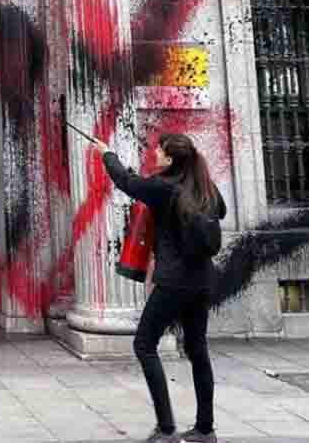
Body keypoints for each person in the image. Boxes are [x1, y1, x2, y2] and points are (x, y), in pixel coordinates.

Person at [84, 132, 226, 443]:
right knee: (197, 349)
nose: (155, 157)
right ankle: (205, 429)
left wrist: (106, 153)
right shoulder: (203, 186)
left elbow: (127, 181)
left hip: (173, 282)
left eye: (159, 152)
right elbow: (222, 211)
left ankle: (165, 428)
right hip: (202, 281)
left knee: (144, 345)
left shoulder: (164, 187)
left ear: (170, 159)